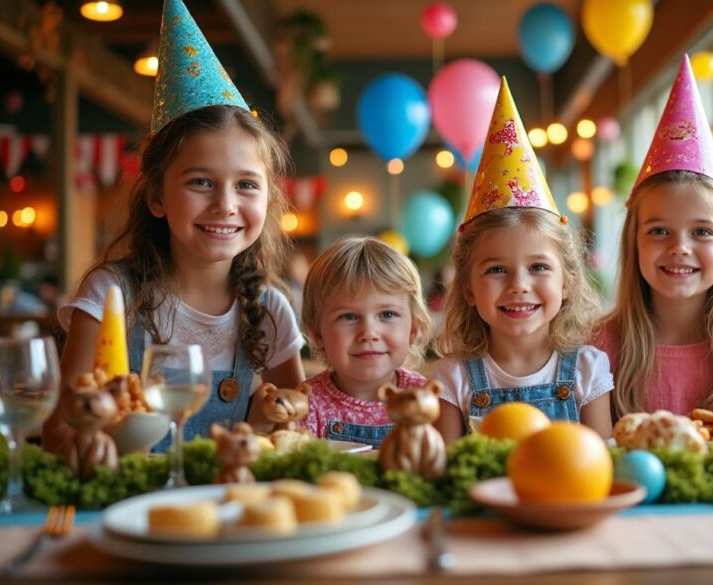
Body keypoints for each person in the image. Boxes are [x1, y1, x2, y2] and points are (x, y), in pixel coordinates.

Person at [42, 0, 304, 452]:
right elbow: (58, 432)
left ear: (268, 199)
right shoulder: (111, 296)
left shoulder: (269, 310)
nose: (225, 205)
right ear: (157, 197)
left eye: (246, 185)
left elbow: (296, 423)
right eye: (200, 181)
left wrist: (276, 425)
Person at [593, 55, 713, 422]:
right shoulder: (597, 349)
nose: (680, 248)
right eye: (659, 231)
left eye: (702, 232)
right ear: (634, 244)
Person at [432, 79, 612, 442]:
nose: (519, 285)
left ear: (567, 282)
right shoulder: (454, 377)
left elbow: (602, 461)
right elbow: (446, 471)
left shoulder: (587, 369)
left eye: (539, 267)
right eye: (496, 269)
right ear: (468, 289)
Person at [300, 237, 432, 447]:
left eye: (387, 314)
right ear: (317, 334)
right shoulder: (306, 403)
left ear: (413, 330)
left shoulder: (426, 398)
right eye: (348, 317)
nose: (369, 333)